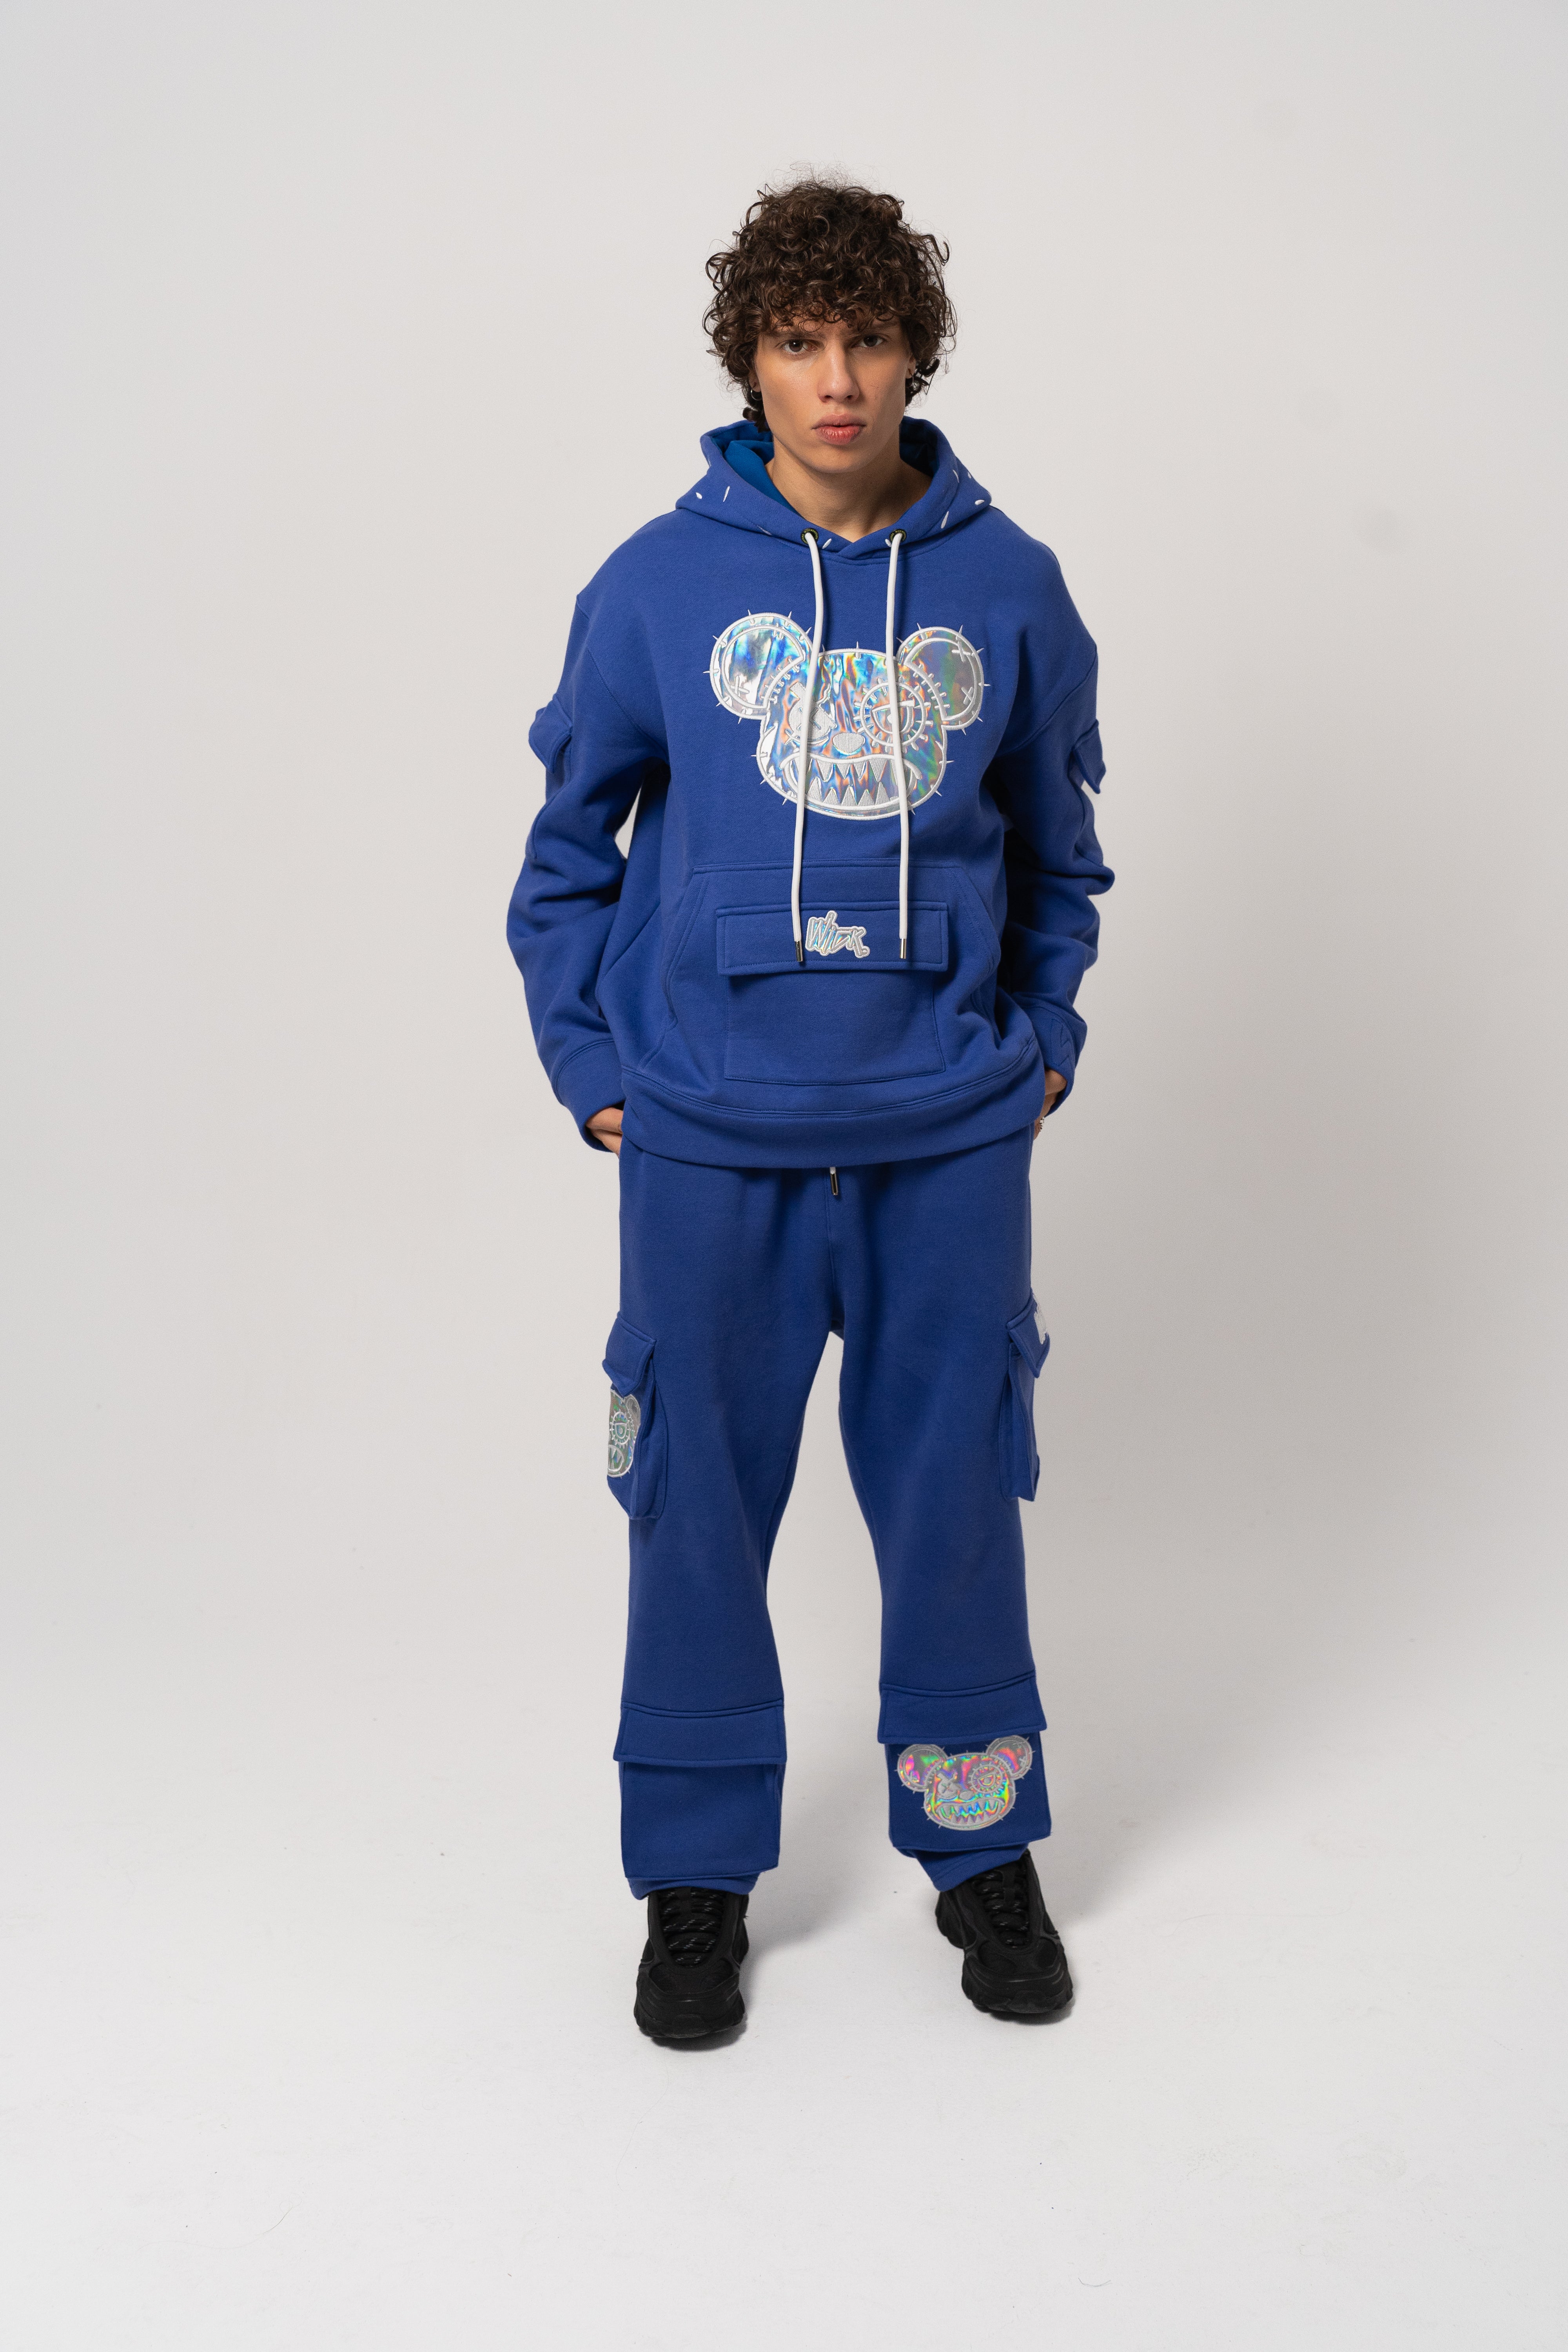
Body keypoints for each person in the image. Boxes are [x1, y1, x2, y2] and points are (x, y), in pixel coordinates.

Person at [508, 178, 1112, 2039]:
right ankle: (694, 1877)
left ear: (915, 354)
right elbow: (566, 857)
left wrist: (1042, 1035)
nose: (836, 376)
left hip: (945, 1138)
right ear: (750, 364)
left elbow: (1061, 850)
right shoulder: (656, 585)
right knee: (692, 1500)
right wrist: (595, 1074)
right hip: (708, 1140)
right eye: (797, 340)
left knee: (955, 1497)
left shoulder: (1008, 585)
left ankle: (978, 1841)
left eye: (867, 337)